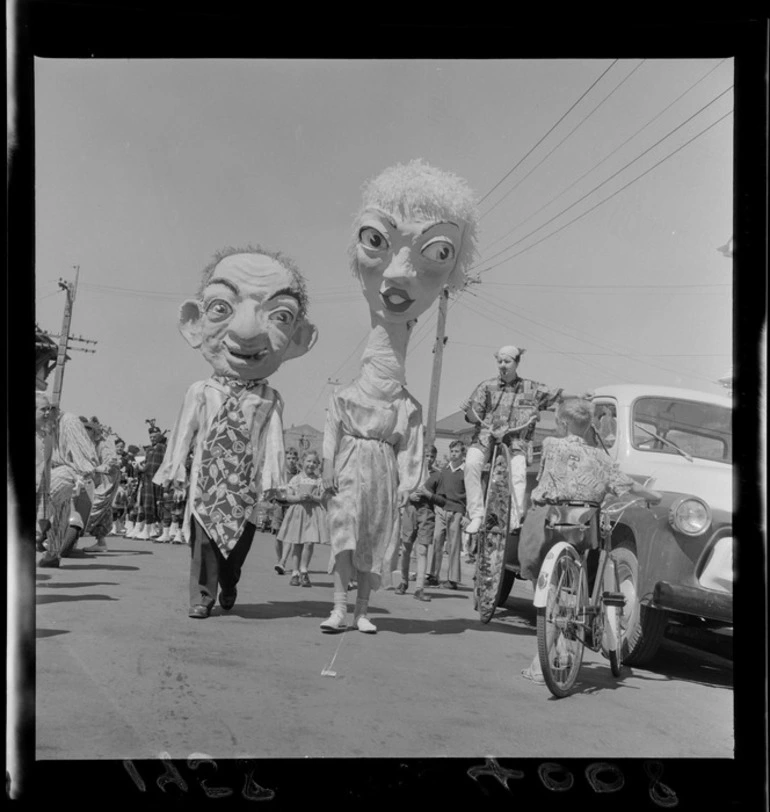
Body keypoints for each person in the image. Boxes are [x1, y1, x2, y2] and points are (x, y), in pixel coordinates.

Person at [320, 159, 478, 634]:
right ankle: (338, 607)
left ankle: (364, 610)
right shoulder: (347, 398)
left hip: (383, 470)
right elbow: (333, 430)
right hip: (351, 463)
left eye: (437, 253)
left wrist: (410, 479)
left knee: (372, 538)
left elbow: (410, 446)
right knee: (344, 533)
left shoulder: (406, 407)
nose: (400, 273)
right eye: (376, 241)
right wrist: (328, 466)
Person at [154, 246, 318, 619]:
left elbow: (274, 440)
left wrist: (273, 481)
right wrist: (175, 466)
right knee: (203, 542)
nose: (245, 332)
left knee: (238, 543)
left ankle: (229, 582)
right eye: (221, 308)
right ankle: (201, 596)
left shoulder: (268, 399)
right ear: (195, 324)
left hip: (244, 486)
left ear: (297, 339)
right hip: (207, 485)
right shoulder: (201, 392)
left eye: (279, 315)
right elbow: (184, 432)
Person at [518, 398, 662, 684]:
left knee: (545, 587)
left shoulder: (550, 445)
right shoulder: (601, 458)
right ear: (589, 426)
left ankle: (545, 655)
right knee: (581, 570)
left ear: (562, 422)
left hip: (546, 522)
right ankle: (562, 640)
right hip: (582, 526)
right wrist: (653, 496)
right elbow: (626, 485)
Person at [462, 346, 577, 536]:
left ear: (516, 363)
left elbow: (556, 394)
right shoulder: (486, 386)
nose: (502, 365)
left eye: (507, 361)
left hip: (516, 442)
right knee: (471, 464)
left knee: (518, 475)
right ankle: (476, 515)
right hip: (486, 438)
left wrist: (579, 395)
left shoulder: (530, 388)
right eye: (500, 361)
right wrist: (467, 410)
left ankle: (515, 520)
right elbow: (474, 417)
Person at [38, 411, 100, 567]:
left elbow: (85, 455)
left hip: (65, 472)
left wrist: (84, 471)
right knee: (60, 515)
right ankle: (52, 556)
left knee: (43, 507)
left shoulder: (69, 421)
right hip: (60, 472)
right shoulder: (51, 426)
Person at [395, 445, 444, 601]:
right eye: (426, 455)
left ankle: (419, 588)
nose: (429, 459)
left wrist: (428, 495)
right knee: (406, 547)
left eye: (432, 457)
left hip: (427, 513)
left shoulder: (437, 475)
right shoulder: (412, 471)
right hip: (410, 510)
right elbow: (400, 488)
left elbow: (442, 499)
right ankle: (403, 581)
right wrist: (409, 496)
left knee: (422, 550)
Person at [276, 450, 329, 587]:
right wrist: (299, 497)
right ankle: (295, 572)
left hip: (312, 513)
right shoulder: (296, 479)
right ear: (303, 462)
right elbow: (288, 496)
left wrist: (313, 497)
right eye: (308, 461)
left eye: (314, 462)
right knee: (297, 542)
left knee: (309, 542)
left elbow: (322, 498)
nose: (311, 464)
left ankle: (304, 569)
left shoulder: (319, 481)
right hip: (298, 513)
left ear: (318, 465)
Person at [426, 440, 469, 590]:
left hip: (457, 512)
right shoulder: (444, 471)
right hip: (442, 510)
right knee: (437, 540)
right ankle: (433, 575)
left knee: (454, 545)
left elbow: (470, 495)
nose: (453, 454)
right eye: (452, 451)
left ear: (463, 454)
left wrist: (466, 515)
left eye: (457, 451)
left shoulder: (466, 472)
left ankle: (452, 579)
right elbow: (436, 490)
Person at [83, 418, 121, 552]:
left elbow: (111, 464)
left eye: (87, 430)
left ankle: (71, 537)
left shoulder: (104, 445)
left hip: (107, 480)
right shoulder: (93, 444)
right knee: (104, 511)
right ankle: (100, 542)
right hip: (101, 479)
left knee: (92, 508)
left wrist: (96, 469)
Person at [272, 446, 300, 574]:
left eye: (294, 458)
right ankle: (279, 560)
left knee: (288, 535)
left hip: (291, 505)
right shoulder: (280, 472)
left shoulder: (299, 474)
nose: (291, 460)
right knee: (278, 537)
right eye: (289, 458)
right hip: (278, 504)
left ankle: (283, 561)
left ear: (297, 459)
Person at [35, 392, 54, 552]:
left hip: (41, 490)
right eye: (43, 409)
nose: (47, 413)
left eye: (49, 409)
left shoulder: (48, 438)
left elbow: (47, 466)